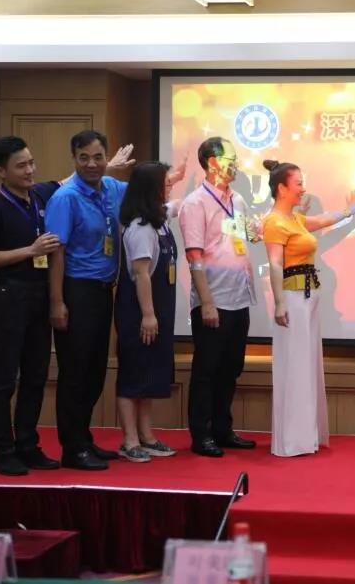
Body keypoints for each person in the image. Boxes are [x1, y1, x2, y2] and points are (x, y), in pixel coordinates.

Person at [46, 131, 179, 471]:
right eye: (84, 158)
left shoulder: (111, 188)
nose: (91, 164)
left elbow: (145, 192)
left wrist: (170, 181)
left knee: (94, 372)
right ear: (74, 159)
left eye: (98, 157)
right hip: (76, 289)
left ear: (106, 158)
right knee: (75, 371)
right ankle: (73, 448)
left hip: (105, 290)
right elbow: (56, 253)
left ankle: (84, 439)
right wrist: (57, 301)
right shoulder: (65, 198)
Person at [0, 136, 62, 476]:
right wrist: (31, 250)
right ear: (1, 171)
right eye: (21, 165)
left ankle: (27, 444)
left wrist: (109, 165)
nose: (29, 170)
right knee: (5, 376)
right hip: (11, 293)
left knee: (36, 374)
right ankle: (3, 449)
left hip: (40, 293)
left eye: (31, 162)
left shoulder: (38, 196)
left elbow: (67, 180)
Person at [262, 159, 355, 456]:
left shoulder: (294, 218)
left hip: (307, 297)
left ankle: (305, 436)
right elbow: (275, 263)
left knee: (306, 365)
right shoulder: (274, 222)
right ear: (282, 188)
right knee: (295, 366)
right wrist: (279, 303)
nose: (303, 189)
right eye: (298, 184)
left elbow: (321, 221)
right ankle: (293, 439)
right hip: (292, 299)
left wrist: (348, 212)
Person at [179, 136, 259, 457]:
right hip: (213, 300)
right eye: (230, 159)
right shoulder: (195, 203)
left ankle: (223, 430)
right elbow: (194, 256)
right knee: (207, 370)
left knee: (230, 368)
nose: (236, 165)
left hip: (239, 297)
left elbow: (243, 235)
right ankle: (202, 435)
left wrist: (256, 230)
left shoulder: (236, 199)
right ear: (212, 163)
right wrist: (207, 302)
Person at [113, 162, 179, 462]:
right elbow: (141, 274)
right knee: (133, 373)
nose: (170, 186)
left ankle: (147, 436)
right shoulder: (140, 227)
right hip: (139, 311)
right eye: (165, 182)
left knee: (150, 373)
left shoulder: (159, 221)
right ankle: (129, 440)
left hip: (158, 308)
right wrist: (148, 314)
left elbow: (176, 206)